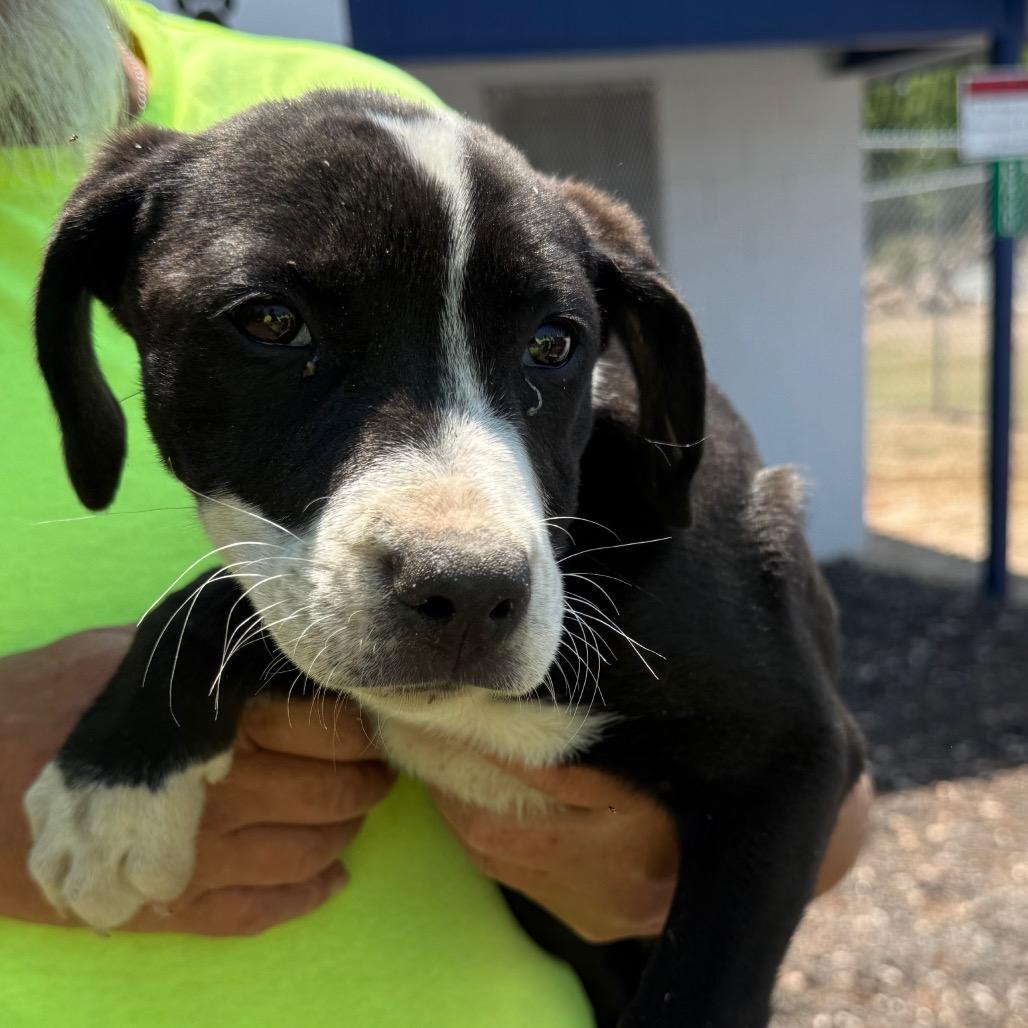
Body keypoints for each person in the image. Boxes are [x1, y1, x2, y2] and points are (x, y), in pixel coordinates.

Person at [0, 2, 873, 1024]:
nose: (461, 538)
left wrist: (704, 871)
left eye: (548, 345)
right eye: (273, 323)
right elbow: (274, 600)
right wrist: (171, 666)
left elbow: (808, 768)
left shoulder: (407, 142)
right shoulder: (200, 201)